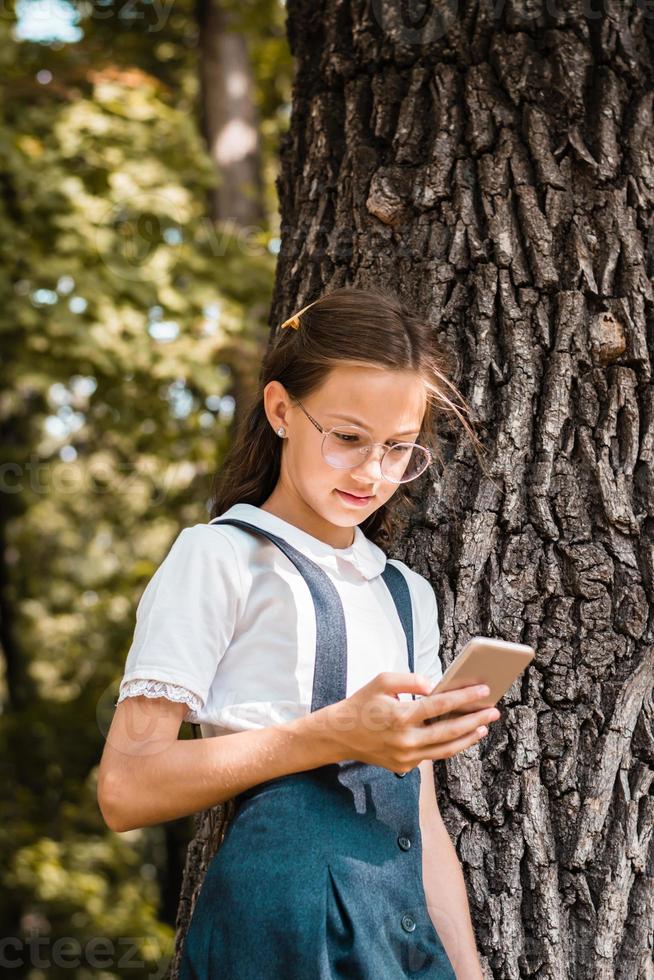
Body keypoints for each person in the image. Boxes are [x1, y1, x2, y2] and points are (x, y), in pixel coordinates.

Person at [97, 285, 500, 979]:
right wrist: (331, 735)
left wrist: (467, 973)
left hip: (399, 945)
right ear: (282, 410)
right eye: (347, 438)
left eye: (399, 449)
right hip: (282, 937)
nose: (373, 473)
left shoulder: (407, 595)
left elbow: (424, 823)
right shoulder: (221, 557)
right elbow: (127, 787)